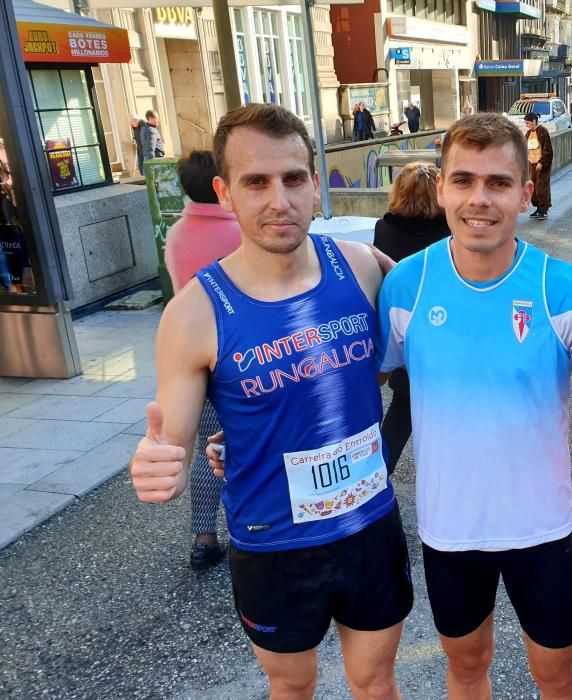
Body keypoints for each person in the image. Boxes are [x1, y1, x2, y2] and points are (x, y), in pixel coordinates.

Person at [376, 111, 572, 700]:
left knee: (555, 676)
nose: (480, 199)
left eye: (498, 183)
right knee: (467, 671)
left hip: (540, 533)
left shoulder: (561, 287)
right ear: (440, 188)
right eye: (464, 180)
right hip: (450, 533)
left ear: (526, 191)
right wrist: (251, 440)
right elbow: (359, 389)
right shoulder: (405, 286)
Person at [129, 103, 412, 699]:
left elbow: (407, 358)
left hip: (369, 526)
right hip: (273, 545)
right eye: (255, 182)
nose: (278, 199)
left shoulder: (363, 268)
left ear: (315, 183)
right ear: (225, 192)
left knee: (376, 680)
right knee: (292, 687)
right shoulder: (194, 313)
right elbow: (171, 438)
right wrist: (163, 465)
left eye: (292, 178)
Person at [161, 150, 242, 570]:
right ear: (221, 184)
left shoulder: (176, 234)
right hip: (243, 355)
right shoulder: (241, 234)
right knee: (246, 443)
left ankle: (204, 535)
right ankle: (251, 525)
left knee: (206, 447)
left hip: (196, 357)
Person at [372, 162, 449, 475]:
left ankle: (375, 479)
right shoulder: (450, 229)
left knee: (402, 410)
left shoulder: (385, 228)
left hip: (403, 334)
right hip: (447, 333)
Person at [524, 112, 552, 220]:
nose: (527, 125)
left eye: (528, 123)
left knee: (542, 186)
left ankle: (543, 209)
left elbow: (548, 150)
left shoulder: (543, 131)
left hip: (541, 165)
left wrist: (542, 162)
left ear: (534, 121)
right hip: (532, 164)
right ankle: (538, 208)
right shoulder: (528, 134)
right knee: (534, 187)